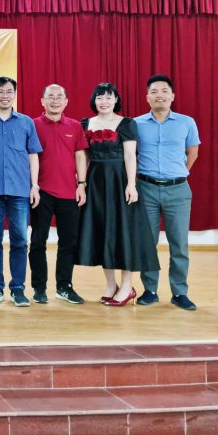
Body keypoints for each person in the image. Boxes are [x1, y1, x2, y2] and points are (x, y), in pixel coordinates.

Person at [75, 82, 159, 306]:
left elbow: (130, 156)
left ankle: (127, 286)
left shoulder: (127, 123)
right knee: (103, 231)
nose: (104, 101)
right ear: (94, 101)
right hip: (96, 182)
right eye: (100, 97)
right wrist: (82, 184)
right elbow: (84, 157)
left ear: (116, 100)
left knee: (123, 232)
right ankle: (111, 285)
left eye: (108, 97)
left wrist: (131, 184)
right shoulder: (85, 124)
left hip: (120, 181)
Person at [0, 76, 42, 307]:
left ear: (15, 94)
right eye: (0, 91)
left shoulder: (26, 123)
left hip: (20, 191)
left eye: (9, 91)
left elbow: (33, 155)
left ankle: (18, 289)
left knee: (20, 241)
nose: (5, 96)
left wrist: (34, 185)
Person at [135, 74, 200, 311]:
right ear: (147, 97)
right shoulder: (136, 124)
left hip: (178, 190)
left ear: (172, 96)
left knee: (179, 244)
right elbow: (130, 155)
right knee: (147, 243)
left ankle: (179, 292)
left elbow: (193, 153)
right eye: (154, 92)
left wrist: (178, 174)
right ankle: (149, 290)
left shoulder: (186, 122)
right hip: (146, 189)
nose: (159, 95)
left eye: (164, 91)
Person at [29, 84, 89, 305]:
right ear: (42, 101)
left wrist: (81, 184)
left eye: (59, 97)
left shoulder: (75, 126)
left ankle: (64, 286)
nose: (55, 101)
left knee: (68, 243)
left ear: (66, 102)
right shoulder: (32, 125)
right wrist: (33, 186)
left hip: (69, 193)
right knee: (38, 241)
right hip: (41, 192)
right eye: (50, 97)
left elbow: (81, 156)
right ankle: (39, 288)